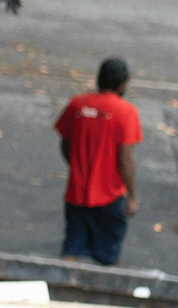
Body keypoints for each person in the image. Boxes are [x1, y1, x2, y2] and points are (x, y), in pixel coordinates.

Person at [53, 57, 141, 266]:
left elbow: (65, 143)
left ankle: (61, 289)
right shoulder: (126, 112)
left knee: (71, 248)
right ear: (122, 85)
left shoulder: (77, 104)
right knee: (109, 257)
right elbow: (125, 159)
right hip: (110, 199)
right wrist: (133, 196)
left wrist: (77, 165)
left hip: (76, 194)